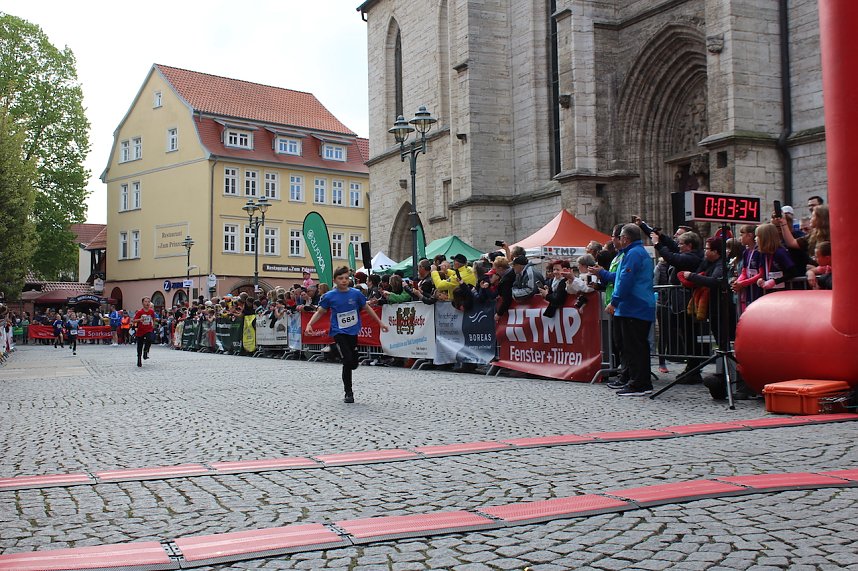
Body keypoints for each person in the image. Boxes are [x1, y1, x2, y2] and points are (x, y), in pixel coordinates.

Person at [305, 266, 389, 403]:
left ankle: (333, 350)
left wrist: (380, 323)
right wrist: (310, 324)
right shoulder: (329, 296)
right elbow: (320, 311)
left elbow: (367, 308)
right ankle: (348, 392)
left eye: (346, 278)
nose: (344, 281)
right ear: (335, 280)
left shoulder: (356, 294)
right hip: (338, 331)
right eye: (340, 278)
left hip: (352, 331)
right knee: (347, 361)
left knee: (354, 363)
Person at [605, 224, 655, 396]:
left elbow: (626, 280)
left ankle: (639, 383)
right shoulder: (635, 253)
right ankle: (634, 379)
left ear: (625, 238)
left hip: (635, 306)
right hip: (634, 306)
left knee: (635, 346)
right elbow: (621, 278)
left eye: (620, 237)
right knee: (631, 345)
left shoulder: (633, 253)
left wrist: (615, 301)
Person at [133, 297, 157, 367]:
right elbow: (134, 320)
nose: (147, 303)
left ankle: (146, 351)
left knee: (150, 339)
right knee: (139, 346)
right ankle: (139, 359)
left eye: (148, 302)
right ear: (142, 303)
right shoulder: (140, 312)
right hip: (140, 330)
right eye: (146, 302)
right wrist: (140, 319)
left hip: (148, 329)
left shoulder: (151, 311)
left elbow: (153, 318)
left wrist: (153, 325)